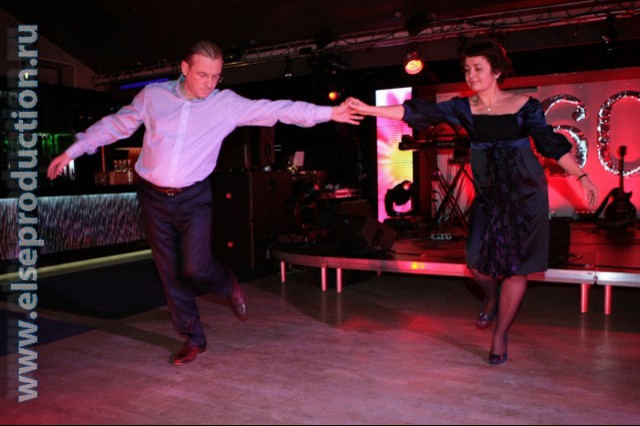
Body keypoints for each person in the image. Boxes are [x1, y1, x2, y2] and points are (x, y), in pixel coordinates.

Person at [47, 40, 362, 366]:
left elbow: (278, 110)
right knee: (169, 272)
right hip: (153, 197)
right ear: (185, 69)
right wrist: (73, 151)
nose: (210, 84)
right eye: (202, 75)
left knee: (196, 267)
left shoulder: (225, 105)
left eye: (216, 76)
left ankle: (228, 284)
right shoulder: (153, 96)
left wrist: (330, 113)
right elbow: (117, 124)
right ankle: (194, 338)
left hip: (194, 198)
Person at [346, 37, 598, 365]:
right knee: (475, 262)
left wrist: (582, 176)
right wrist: (369, 109)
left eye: (478, 68)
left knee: (517, 270)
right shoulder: (463, 108)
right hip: (488, 197)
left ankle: (500, 333)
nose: (471, 75)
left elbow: (550, 144)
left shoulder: (525, 106)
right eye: (467, 69)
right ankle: (491, 297)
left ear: (497, 71)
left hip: (525, 196)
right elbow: (416, 111)